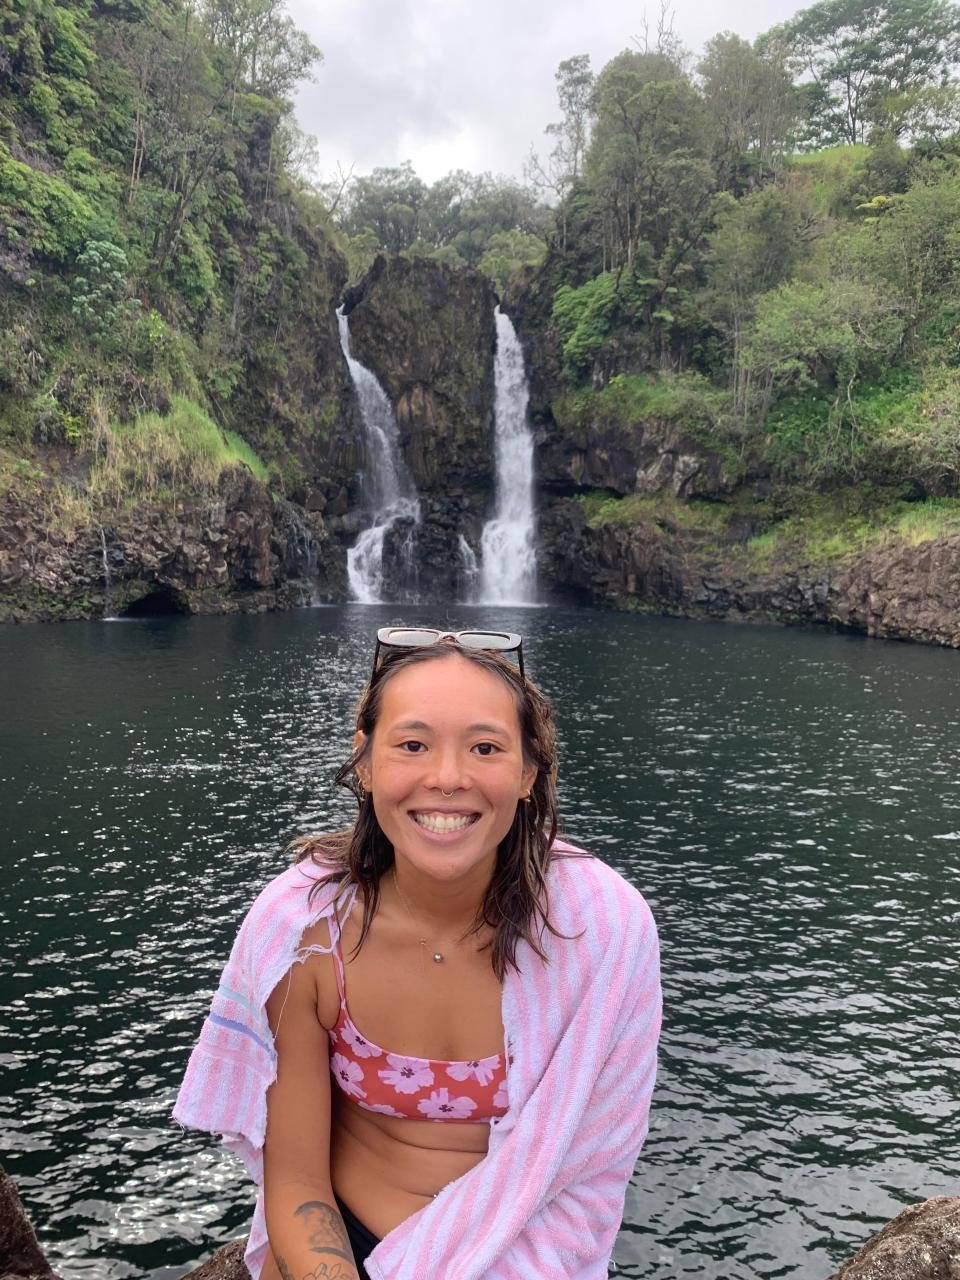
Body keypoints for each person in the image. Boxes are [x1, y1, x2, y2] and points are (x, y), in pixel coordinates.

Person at [173, 627, 662, 1280]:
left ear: (528, 773)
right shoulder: (304, 933)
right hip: (346, 1249)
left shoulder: (603, 930)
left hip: (524, 1250)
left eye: (485, 747)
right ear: (366, 762)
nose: (448, 778)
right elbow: (294, 1179)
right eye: (412, 745)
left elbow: (594, 1165)